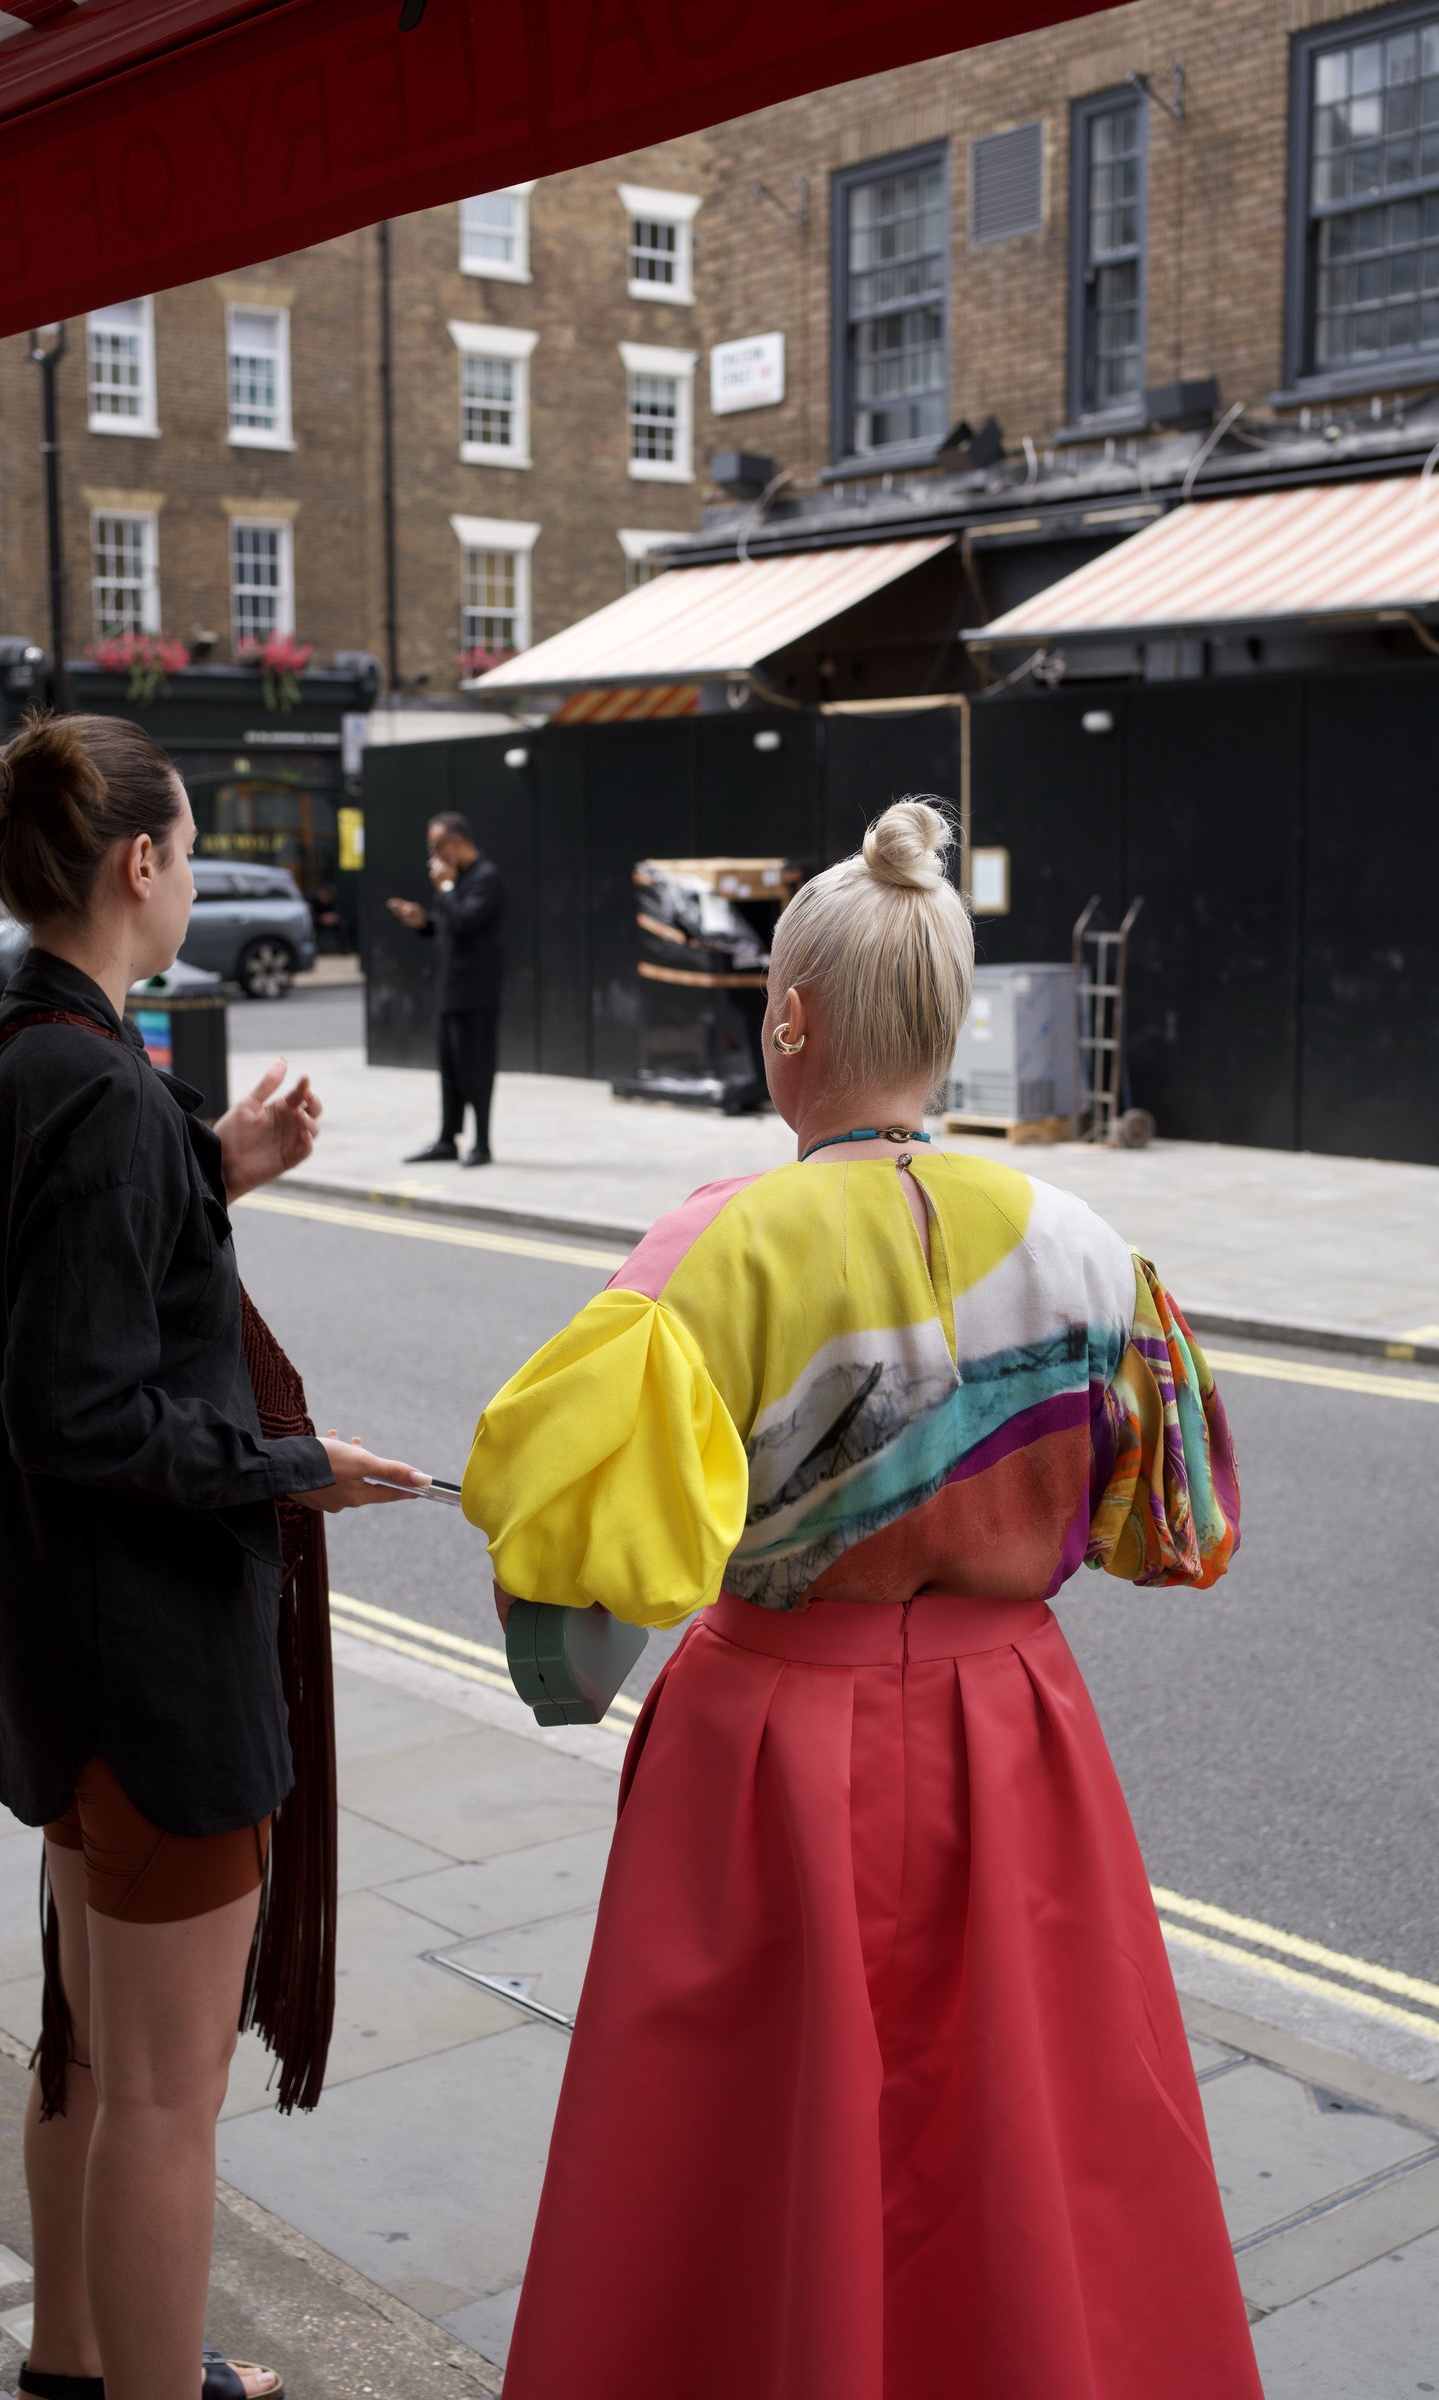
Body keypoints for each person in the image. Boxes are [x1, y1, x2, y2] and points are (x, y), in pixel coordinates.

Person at [462, 798, 1262, 2400]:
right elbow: (1178, 1525)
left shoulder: (709, 1254)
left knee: (740, 2152)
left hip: (766, 1745)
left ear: (788, 1021)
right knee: (1024, 2123)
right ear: (950, 1035)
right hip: (1013, 1737)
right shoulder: (1088, 1247)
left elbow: (568, 1575)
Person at [0, 711, 428, 2400]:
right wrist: (298, 1468)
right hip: (149, 1669)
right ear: (139, 867)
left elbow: (58, 1301)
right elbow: (88, 1408)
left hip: (54, 1654)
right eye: (193, 847)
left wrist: (215, 1168)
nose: (197, 875)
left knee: (85, 2043)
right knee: (161, 2095)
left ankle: (75, 2358)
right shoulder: (95, 1090)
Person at [387, 811, 505, 1166]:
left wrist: (447, 888)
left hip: (475, 991)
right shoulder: (454, 878)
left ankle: (482, 1144)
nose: (433, 855)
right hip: (447, 988)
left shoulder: (487, 878)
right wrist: (423, 921)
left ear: (456, 842)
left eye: (436, 846)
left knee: (476, 1068)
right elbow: (449, 926)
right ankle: (447, 1139)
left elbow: (468, 921)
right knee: (450, 1069)